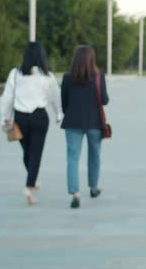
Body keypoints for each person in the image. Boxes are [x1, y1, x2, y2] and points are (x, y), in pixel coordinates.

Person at [0, 41, 62, 205]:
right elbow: (56, 97)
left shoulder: (15, 73)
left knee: (27, 152)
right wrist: (59, 114)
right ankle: (29, 186)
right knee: (36, 153)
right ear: (42, 56)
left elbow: (7, 98)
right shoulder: (48, 76)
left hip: (20, 118)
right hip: (39, 117)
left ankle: (32, 179)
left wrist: (4, 118)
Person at [61, 46, 109, 209]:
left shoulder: (67, 78)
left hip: (72, 122)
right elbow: (104, 99)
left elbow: (64, 102)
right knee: (94, 156)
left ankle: (74, 194)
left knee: (72, 158)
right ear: (91, 59)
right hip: (94, 122)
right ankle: (93, 187)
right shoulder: (98, 76)